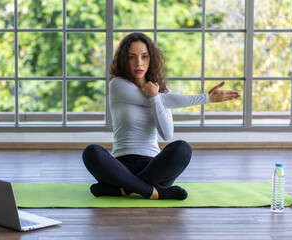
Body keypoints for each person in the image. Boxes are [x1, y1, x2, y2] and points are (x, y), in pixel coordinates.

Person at [82, 32, 240, 200]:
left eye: (145, 57)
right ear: (124, 60)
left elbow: (166, 134)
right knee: (91, 152)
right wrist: (206, 98)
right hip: (120, 166)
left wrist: (155, 98)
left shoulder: (162, 92)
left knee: (182, 148)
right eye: (132, 57)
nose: (139, 63)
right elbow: (166, 100)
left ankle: (123, 189)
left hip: (154, 166)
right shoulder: (118, 85)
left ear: (152, 59)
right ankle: (154, 192)